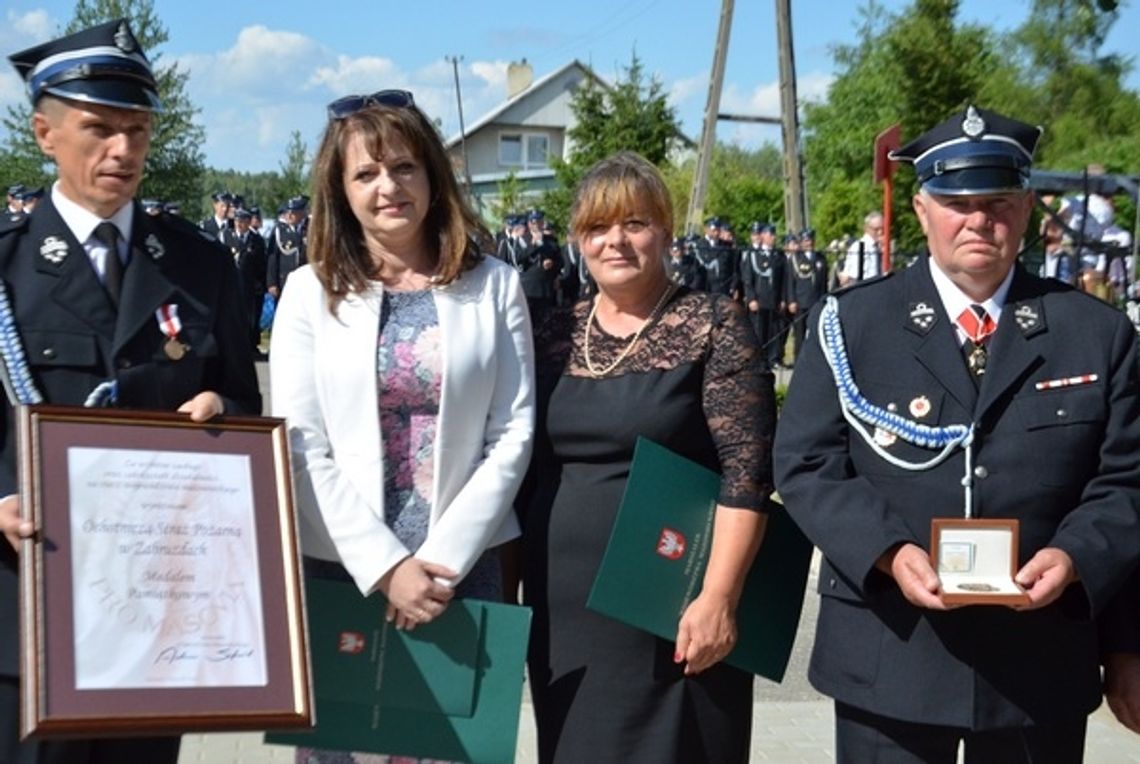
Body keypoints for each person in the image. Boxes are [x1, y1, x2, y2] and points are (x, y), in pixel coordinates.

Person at [774, 105, 1140, 763]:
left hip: (1038, 659)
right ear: (921, 209)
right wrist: (889, 551)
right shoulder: (852, 325)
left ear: (1027, 209)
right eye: (956, 202)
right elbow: (806, 464)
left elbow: (1127, 482)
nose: (978, 220)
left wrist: (1078, 558)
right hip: (893, 649)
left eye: (997, 202)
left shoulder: (1097, 333)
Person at [0, 19, 261, 764]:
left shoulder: (197, 264)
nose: (123, 151)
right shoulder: (7, 270)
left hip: (154, 620)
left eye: (138, 130)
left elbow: (244, 400)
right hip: (29, 617)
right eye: (99, 129)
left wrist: (225, 419)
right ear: (45, 133)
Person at [268, 88, 535, 763]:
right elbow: (300, 444)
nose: (388, 187)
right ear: (341, 188)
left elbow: (513, 431)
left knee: (451, 748)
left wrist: (436, 565)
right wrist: (388, 568)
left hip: (458, 570)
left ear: (432, 176)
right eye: (366, 173)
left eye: (404, 167)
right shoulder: (308, 291)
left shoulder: (495, 283)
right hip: (345, 567)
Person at [520, 151, 774, 762]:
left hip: (674, 602)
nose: (616, 241)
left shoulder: (713, 323)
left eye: (634, 223)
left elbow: (747, 473)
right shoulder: (550, 331)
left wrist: (718, 598)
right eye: (598, 227)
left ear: (664, 230)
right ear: (578, 239)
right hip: (565, 611)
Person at [222, 206, 268, 354]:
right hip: (231, 284)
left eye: (242, 221)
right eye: (236, 220)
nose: (238, 224)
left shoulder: (256, 240)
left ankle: (249, 346)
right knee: (231, 316)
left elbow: (261, 264)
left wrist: (260, 283)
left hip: (249, 285)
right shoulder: (226, 236)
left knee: (249, 317)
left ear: (248, 222)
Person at [740, 221, 785, 370]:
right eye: (770, 234)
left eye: (773, 234)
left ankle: (771, 359)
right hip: (758, 300)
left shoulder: (778, 255)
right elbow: (748, 278)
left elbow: (783, 279)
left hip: (773, 300)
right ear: (763, 236)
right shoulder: (754, 255)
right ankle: (757, 359)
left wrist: (782, 298)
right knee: (758, 331)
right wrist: (751, 297)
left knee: (773, 331)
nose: (773, 237)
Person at [785, 227, 829, 360]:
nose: (808, 243)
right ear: (801, 242)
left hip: (816, 300)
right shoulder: (796, 259)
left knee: (816, 332)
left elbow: (823, 281)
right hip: (801, 301)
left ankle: (815, 359)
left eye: (810, 240)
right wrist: (791, 300)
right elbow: (790, 281)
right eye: (805, 241)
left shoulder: (820, 258)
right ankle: (799, 359)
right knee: (800, 333)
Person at [839, 210, 884, 286]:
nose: (880, 232)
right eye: (876, 229)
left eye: (882, 229)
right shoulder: (858, 247)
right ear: (866, 228)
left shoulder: (880, 248)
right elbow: (852, 276)